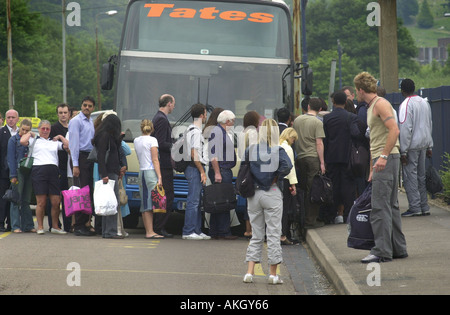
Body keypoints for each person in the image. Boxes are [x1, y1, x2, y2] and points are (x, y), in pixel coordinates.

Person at [354, 71, 408, 263]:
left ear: (361, 90)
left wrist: (383, 156)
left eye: (356, 91)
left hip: (385, 158)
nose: (356, 94)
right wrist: (371, 166)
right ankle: (398, 248)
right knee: (391, 205)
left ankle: (381, 250)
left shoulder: (380, 104)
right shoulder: (373, 106)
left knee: (379, 206)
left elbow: (394, 129)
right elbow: (374, 140)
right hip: (382, 158)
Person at [243, 119, 292, 284]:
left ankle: (249, 273)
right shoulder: (278, 150)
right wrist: (275, 176)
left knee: (256, 234)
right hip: (271, 192)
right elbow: (288, 166)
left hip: (254, 194)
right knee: (273, 233)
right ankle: (273, 275)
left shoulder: (251, 149)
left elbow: (245, 167)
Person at [20, 120, 69, 235]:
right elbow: (22, 141)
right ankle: (40, 226)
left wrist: (61, 136)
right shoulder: (34, 140)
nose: (45, 131)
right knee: (41, 202)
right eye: (43, 128)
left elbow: (67, 145)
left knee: (56, 201)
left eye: (48, 129)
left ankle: (55, 226)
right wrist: (30, 133)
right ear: (39, 129)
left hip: (53, 171)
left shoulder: (54, 142)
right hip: (39, 170)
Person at [323, 91, 360, 224]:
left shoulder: (327, 118)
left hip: (331, 157)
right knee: (348, 187)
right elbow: (356, 134)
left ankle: (332, 214)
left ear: (333, 102)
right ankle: (347, 215)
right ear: (346, 102)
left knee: (333, 186)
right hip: (347, 157)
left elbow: (325, 140)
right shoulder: (351, 117)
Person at [398, 79, 433, 217]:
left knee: (410, 176)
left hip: (411, 146)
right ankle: (424, 206)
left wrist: (403, 150)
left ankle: (415, 207)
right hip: (424, 143)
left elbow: (406, 127)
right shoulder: (424, 102)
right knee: (421, 176)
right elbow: (429, 123)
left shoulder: (406, 104)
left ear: (402, 90)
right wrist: (430, 145)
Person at [293, 98, 326, 229]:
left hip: (300, 157)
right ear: (320, 109)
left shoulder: (297, 120)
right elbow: (319, 143)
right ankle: (310, 221)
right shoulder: (317, 122)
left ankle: (299, 219)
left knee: (303, 189)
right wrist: (322, 162)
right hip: (312, 158)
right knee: (313, 190)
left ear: (307, 106)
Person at [93, 114, 126, 239]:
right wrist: (104, 174)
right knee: (113, 202)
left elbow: (114, 149)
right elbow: (101, 156)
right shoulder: (105, 136)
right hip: (108, 172)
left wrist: (120, 138)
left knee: (109, 202)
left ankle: (107, 231)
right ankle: (110, 231)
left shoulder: (106, 135)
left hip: (111, 171)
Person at [68, 96, 96, 236]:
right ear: (81, 105)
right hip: (79, 157)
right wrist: (75, 165)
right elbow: (73, 145)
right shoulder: (75, 121)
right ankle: (78, 225)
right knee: (80, 192)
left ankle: (85, 223)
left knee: (87, 191)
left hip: (89, 158)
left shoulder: (90, 121)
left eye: (90, 106)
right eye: (85, 105)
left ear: (93, 108)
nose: (87, 108)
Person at [207, 110, 237, 240]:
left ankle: (215, 231)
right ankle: (223, 231)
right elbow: (213, 154)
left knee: (218, 201)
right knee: (223, 201)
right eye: (233, 121)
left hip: (223, 170)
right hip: (222, 171)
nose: (233, 124)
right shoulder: (218, 132)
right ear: (227, 121)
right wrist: (218, 173)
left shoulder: (221, 132)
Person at [182, 103, 210, 240]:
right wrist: (202, 172)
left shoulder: (190, 129)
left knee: (197, 201)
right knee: (193, 201)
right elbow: (194, 154)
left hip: (193, 168)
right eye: (205, 114)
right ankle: (188, 231)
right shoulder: (196, 132)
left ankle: (197, 230)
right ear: (201, 115)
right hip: (194, 168)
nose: (206, 117)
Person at [134, 119, 164, 239]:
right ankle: (150, 231)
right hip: (150, 172)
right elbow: (155, 160)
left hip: (141, 172)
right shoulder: (153, 140)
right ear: (152, 128)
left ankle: (149, 230)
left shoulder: (136, 140)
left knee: (145, 201)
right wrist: (160, 177)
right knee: (151, 202)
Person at [151, 94, 175, 238]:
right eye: (173, 104)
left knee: (163, 196)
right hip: (164, 164)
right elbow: (159, 143)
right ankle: (160, 227)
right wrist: (175, 145)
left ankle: (159, 226)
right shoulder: (161, 119)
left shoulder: (159, 118)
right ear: (169, 104)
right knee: (166, 196)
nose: (174, 107)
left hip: (163, 163)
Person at [7, 119, 36, 233]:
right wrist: (13, 175)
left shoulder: (32, 140)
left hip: (29, 170)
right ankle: (15, 225)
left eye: (27, 130)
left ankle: (28, 225)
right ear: (19, 127)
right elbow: (10, 159)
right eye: (23, 129)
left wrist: (33, 136)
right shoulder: (13, 140)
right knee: (16, 199)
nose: (24, 132)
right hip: (18, 170)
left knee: (26, 199)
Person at [49, 103, 71, 232]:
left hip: (70, 167)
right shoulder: (53, 128)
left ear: (69, 114)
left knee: (68, 198)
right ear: (57, 114)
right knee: (55, 199)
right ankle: (54, 224)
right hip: (58, 168)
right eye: (60, 112)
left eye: (65, 112)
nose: (63, 115)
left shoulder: (72, 127)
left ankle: (68, 226)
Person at [240, 111, 260, 239]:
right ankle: (251, 229)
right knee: (253, 200)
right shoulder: (252, 133)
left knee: (248, 199)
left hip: (243, 167)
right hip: (251, 168)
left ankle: (248, 229)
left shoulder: (242, 132)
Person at [0, 109, 19, 232]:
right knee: (3, 198)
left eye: (13, 117)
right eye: (8, 117)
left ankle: (12, 222)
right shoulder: (1, 132)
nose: (11, 119)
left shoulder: (21, 132)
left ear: (17, 119)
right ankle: (1, 222)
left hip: (17, 172)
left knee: (15, 197)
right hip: (3, 171)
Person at [279, 127, 298, 244]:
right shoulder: (288, 148)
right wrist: (294, 184)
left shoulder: (276, 145)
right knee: (285, 209)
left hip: (275, 180)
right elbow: (291, 168)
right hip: (285, 180)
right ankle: (283, 235)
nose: (293, 141)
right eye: (294, 139)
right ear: (290, 137)